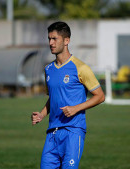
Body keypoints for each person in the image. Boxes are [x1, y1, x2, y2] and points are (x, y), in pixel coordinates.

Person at [31, 21, 105, 169]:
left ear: (66, 40)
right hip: (52, 133)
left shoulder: (81, 67)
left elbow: (100, 96)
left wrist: (76, 108)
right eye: (49, 39)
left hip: (73, 131)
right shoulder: (48, 69)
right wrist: (42, 114)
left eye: (54, 39)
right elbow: (53, 97)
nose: (51, 43)